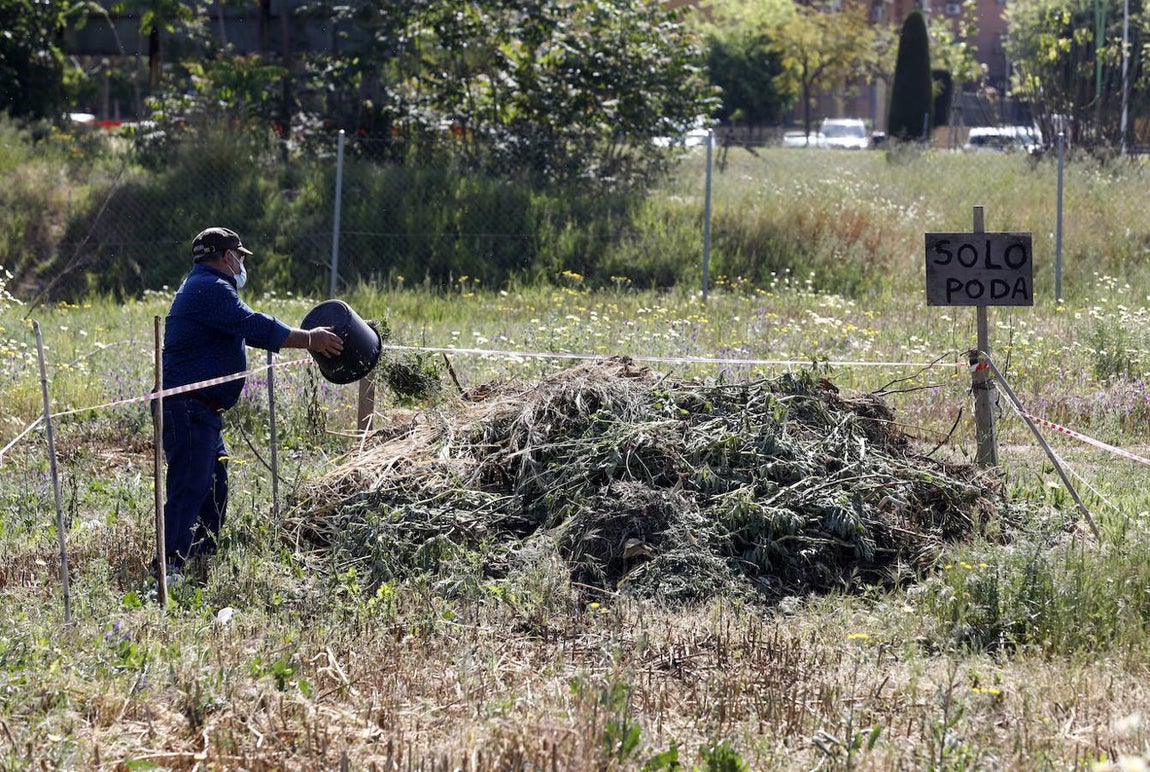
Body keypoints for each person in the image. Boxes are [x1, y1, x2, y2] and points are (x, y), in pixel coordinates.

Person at [158, 226, 343, 580]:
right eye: (240, 257)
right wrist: (310, 339)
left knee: (215, 487)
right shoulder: (209, 288)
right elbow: (253, 325)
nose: (242, 264)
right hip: (188, 407)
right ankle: (170, 567)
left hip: (202, 409)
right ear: (227, 256)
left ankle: (200, 558)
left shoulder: (203, 285)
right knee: (189, 486)